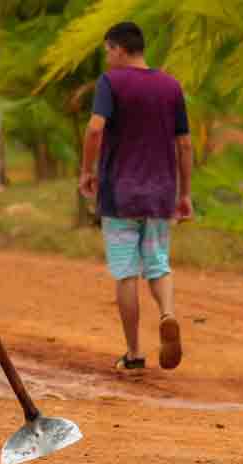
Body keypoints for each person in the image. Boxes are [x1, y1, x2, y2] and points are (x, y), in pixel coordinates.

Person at [79, 21, 193, 371]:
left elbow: (96, 128)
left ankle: (134, 353)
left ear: (118, 49)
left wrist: (87, 171)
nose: (107, 58)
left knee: (126, 272)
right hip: (160, 193)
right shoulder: (171, 86)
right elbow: (184, 143)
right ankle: (168, 314)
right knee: (158, 264)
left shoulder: (110, 82)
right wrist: (184, 192)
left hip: (119, 193)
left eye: (107, 51)